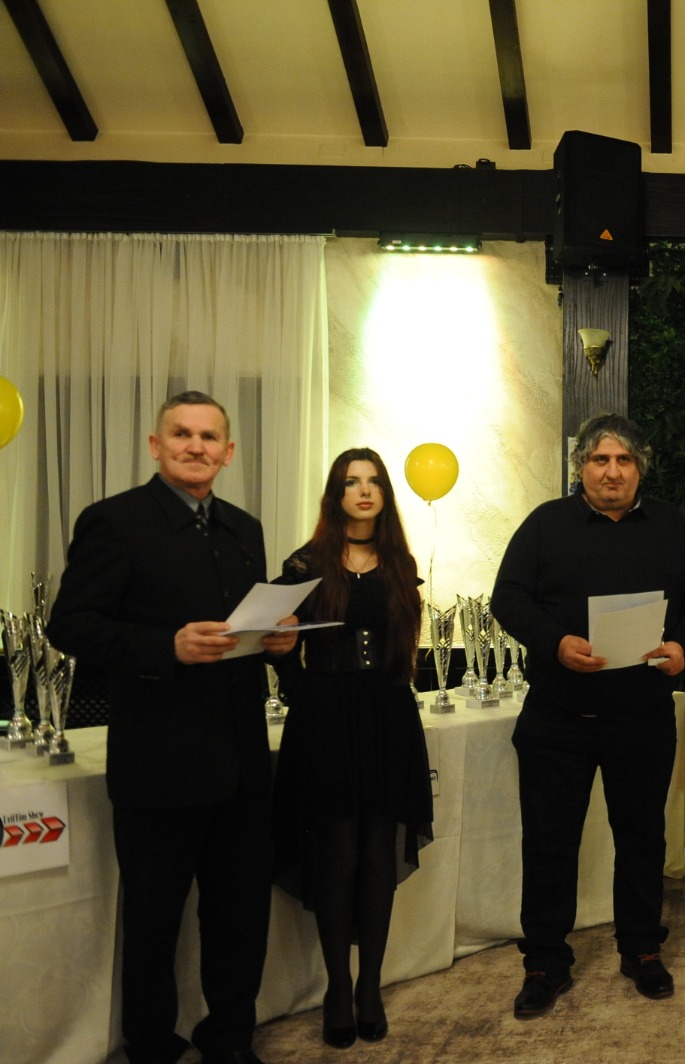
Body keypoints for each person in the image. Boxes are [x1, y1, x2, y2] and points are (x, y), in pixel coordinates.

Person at [47, 391, 298, 1064]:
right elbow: (70, 625)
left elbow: (241, 633)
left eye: (209, 437)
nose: (196, 446)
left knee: (240, 916)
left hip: (241, 761)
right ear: (156, 446)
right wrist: (167, 647)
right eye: (182, 434)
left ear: (228, 452)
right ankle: (151, 1046)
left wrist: (276, 642)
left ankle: (230, 1039)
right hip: (158, 762)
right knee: (154, 924)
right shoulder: (114, 521)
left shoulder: (245, 529)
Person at [491, 413, 685, 1017]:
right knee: (549, 844)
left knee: (642, 838)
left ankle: (641, 949)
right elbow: (507, 596)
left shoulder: (671, 525)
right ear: (581, 467)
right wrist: (555, 642)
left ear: (640, 467)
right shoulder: (545, 524)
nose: (612, 472)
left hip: (641, 715)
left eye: (623, 460)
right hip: (557, 717)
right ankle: (545, 962)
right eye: (600, 460)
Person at [270, 448, 432, 1047]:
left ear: (384, 493)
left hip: (388, 715)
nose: (363, 491)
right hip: (325, 718)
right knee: (337, 852)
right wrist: (294, 678)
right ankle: (338, 988)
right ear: (335, 495)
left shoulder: (399, 562)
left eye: (373, 481)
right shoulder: (306, 563)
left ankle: (370, 986)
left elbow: (403, 647)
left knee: (378, 853)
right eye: (350, 482)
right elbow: (276, 640)